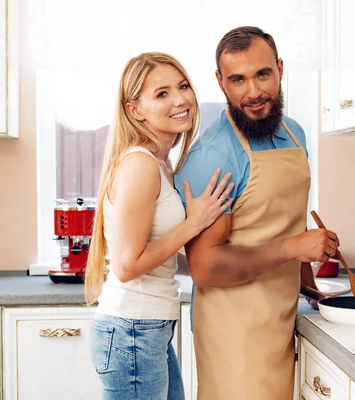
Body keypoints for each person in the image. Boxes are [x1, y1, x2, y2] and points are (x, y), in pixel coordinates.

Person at [174, 27, 340, 399]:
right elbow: (205, 266)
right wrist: (294, 248)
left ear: (280, 69)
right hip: (233, 333)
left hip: (282, 319)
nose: (253, 92)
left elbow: (287, 219)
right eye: (238, 79)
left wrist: (310, 287)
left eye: (263, 74)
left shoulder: (294, 133)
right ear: (220, 83)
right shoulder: (213, 156)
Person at [85, 52, 234, 400]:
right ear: (135, 109)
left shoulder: (161, 163)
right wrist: (194, 222)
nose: (181, 99)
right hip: (132, 329)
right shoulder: (141, 165)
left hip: (148, 327)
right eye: (162, 93)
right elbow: (127, 266)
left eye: (183, 87)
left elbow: (159, 255)